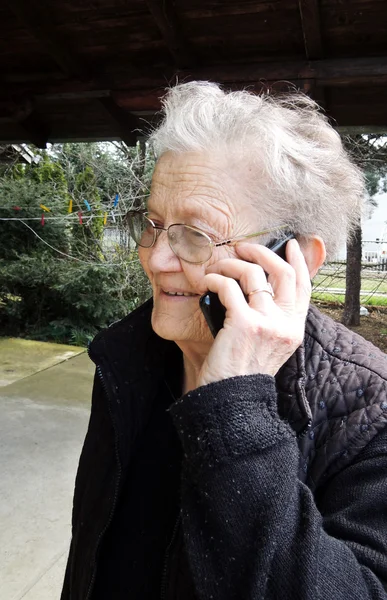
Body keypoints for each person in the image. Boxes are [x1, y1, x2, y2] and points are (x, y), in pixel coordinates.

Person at [61, 82, 387, 600]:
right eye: (154, 224)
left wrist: (236, 413)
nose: (156, 259)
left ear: (295, 256)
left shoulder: (372, 413)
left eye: (195, 235)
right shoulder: (131, 357)